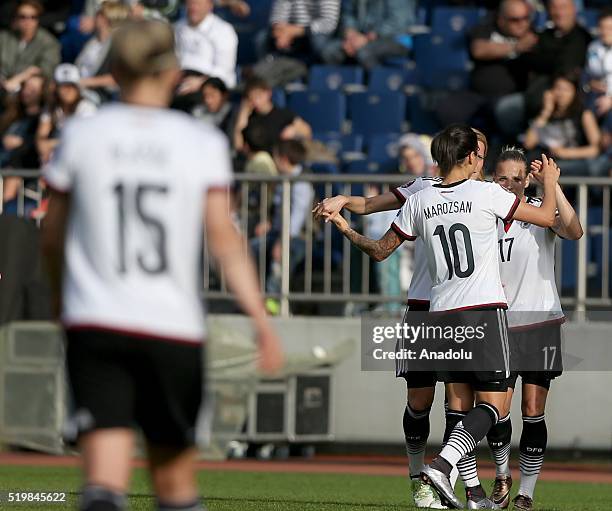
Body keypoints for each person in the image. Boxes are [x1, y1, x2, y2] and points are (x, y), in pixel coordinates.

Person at [41, 20, 283, 511]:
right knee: (174, 488)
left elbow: (52, 234)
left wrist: (59, 300)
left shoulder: (83, 135)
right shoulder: (199, 142)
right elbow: (224, 240)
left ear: (112, 69)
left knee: (103, 488)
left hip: (97, 320)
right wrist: (261, 319)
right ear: (173, 72)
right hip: (171, 327)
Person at [321, 124, 560, 509]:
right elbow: (549, 217)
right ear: (469, 158)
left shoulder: (421, 200)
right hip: (481, 311)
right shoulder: (486, 193)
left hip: (438, 313)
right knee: (494, 407)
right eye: (479, 155)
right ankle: (441, 466)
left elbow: (381, 250)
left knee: (457, 405)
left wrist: (346, 226)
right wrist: (549, 181)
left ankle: (458, 482)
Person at [313, 128, 489, 509]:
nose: (478, 155)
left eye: (482, 149)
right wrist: (345, 199)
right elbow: (371, 204)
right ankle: (418, 478)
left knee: (460, 404)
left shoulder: (489, 193)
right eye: (474, 148)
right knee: (420, 400)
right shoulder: (423, 188)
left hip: (468, 306)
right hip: (426, 306)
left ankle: (458, 484)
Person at [484, 147, 582, 511]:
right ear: (493, 178)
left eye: (516, 177)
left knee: (532, 408)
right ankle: (501, 475)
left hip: (540, 322)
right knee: (496, 408)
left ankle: (526, 491)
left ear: (527, 179)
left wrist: (553, 186)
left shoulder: (540, 212)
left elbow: (573, 231)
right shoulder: (485, 214)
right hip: (497, 323)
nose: (509, 184)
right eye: (502, 177)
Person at [495, 0, 592, 137]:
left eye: (563, 7)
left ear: (573, 10)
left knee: (507, 109)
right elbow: (524, 59)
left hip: (562, 102)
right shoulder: (545, 35)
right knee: (503, 110)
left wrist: (541, 59)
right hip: (533, 96)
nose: (559, 12)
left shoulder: (582, 37)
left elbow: (564, 67)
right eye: (554, 8)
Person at [438, 0, 537, 131]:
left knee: (506, 110)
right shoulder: (486, 29)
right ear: (501, 20)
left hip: (510, 96)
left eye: (526, 18)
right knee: (448, 108)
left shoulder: (534, 36)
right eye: (515, 20)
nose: (522, 24)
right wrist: (515, 47)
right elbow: (478, 50)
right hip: (477, 95)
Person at [251, 139, 312, 315]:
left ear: (284, 159)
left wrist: (282, 242)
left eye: (276, 157)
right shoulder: (282, 180)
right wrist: (268, 223)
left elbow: (297, 220)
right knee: (250, 249)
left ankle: (273, 305)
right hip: (277, 233)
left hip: (298, 238)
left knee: (280, 257)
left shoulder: (301, 183)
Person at [523, 71, 607, 176]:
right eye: (558, 88)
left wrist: (566, 153)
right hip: (543, 160)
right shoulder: (543, 112)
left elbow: (595, 149)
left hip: (570, 162)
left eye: (566, 90)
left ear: (574, 92)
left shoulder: (583, 114)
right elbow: (528, 143)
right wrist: (546, 112)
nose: (561, 94)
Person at [174, 0, 238, 106]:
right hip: (181, 81)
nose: (193, 8)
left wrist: (201, 82)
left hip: (211, 84)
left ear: (209, 6)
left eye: (197, 4)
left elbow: (224, 70)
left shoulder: (223, 30)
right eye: (190, 3)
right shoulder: (179, 27)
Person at [320, 0, 415, 70]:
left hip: (396, 39)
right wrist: (351, 33)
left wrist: (367, 38)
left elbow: (398, 23)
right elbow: (348, 14)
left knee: (364, 52)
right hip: (360, 39)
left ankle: (380, 88)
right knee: (330, 51)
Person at [0, 72, 46, 208]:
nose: (27, 92)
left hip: (19, 168)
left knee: (12, 174)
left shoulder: (43, 119)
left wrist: (22, 143)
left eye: (33, 89)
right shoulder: (11, 115)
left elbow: (39, 145)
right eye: (25, 87)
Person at [36, 64, 98, 165]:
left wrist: (52, 144)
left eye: (71, 86)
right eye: (63, 86)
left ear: (77, 88)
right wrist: (44, 146)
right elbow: (41, 137)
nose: (67, 90)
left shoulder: (87, 108)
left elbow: (83, 141)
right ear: (56, 88)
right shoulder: (52, 107)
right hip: (61, 158)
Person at [233, 77, 312, 154]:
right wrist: (243, 114)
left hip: (279, 161)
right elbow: (239, 147)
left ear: (268, 93)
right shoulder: (249, 119)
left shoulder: (283, 114)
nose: (256, 101)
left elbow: (307, 131)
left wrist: (294, 129)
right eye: (251, 98)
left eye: (259, 96)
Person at [75, 1, 130, 104]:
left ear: (105, 19)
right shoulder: (93, 42)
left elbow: (119, 78)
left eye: (99, 13)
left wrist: (87, 82)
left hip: (103, 98)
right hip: (82, 91)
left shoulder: (119, 46)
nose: (95, 16)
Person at [0, 0, 60, 94]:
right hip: (4, 82)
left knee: (34, 83)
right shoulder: (4, 38)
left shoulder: (49, 42)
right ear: (16, 18)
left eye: (33, 17)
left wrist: (20, 78)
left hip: (28, 86)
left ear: (38, 19)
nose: (28, 21)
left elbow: (47, 68)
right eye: (23, 17)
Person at [256, 0, 341, 63]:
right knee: (262, 38)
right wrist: (281, 32)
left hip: (315, 32)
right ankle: (263, 78)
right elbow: (277, 17)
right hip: (290, 32)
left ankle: (318, 79)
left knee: (318, 42)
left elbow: (328, 23)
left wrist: (296, 31)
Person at [585, 8, 612, 123]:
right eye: (602, 27)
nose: (605, 32)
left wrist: (611, 99)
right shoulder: (593, 47)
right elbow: (587, 73)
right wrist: (589, 83)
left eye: (610, 28)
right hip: (596, 95)